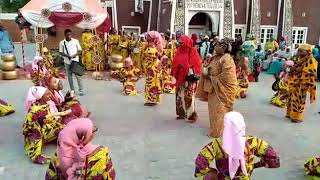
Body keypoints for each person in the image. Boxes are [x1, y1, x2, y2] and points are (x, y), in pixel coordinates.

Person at [194, 112, 280, 180]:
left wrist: (212, 171)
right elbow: (273, 158)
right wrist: (254, 166)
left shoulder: (217, 144)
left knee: (208, 177)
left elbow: (200, 163)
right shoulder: (253, 142)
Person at [45, 118, 116, 180]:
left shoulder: (59, 154)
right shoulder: (101, 153)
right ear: (85, 136)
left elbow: (50, 177)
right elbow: (110, 176)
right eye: (93, 130)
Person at [196, 39, 238, 137]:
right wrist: (205, 66)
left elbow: (227, 76)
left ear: (224, 48)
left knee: (219, 110)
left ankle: (217, 132)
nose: (215, 47)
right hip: (213, 87)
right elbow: (208, 66)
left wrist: (210, 77)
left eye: (218, 45)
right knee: (213, 110)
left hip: (222, 88)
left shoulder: (226, 58)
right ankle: (216, 128)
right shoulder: (216, 57)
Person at [23, 86, 70, 164]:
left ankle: (60, 139)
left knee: (66, 128)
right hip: (41, 134)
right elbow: (32, 130)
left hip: (48, 130)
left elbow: (52, 120)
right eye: (47, 94)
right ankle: (36, 156)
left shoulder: (47, 104)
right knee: (62, 130)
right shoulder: (34, 111)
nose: (50, 95)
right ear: (41, 97)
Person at [172, 35, 202, 122]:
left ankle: (191, 115)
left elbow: (197, 63)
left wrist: (187, 66)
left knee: (188, 96)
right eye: (179, 42)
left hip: (189, 78)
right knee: (179, 96)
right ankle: (181, 113)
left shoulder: (192, 51)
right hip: (180, 77)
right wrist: (177, 68)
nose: (180, 44)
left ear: (186, 43)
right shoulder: (179, 51)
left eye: (182, 42)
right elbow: (174, 63)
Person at [286, 44, 318, 123]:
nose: (299, 52)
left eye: (301, 51)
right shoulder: (299, 58)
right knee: (291, 98)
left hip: (303, 83)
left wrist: (300, 70)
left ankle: (297, 117)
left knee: (299, 100)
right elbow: (293, 67)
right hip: (294, 82)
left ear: (307, 52)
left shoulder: (311, 60)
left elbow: (313, 72)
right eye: (298, 50)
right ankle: (290, 114)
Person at [59, 29, 84, 96]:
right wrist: (67, 56)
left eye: (70, 34)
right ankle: (72, 90)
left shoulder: (76, 41)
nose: (69, 36)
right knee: (69, 77)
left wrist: (74, 55)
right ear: (65, 35)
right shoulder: (62, 43)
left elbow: (79, 50)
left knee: (78, 76)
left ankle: (81, 90)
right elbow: (61, 52)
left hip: (75, 61)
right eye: (67, 35)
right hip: (67, 62)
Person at [143, 31, 163, 106]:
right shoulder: (148, 46)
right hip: (150, 67)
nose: (147, 37)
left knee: (153, 83)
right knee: (149, 83)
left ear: (152, 38)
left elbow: (151, 58)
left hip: (153, 67)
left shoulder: (153, 47)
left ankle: (152, 100)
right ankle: (150, 99)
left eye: (148, 36)